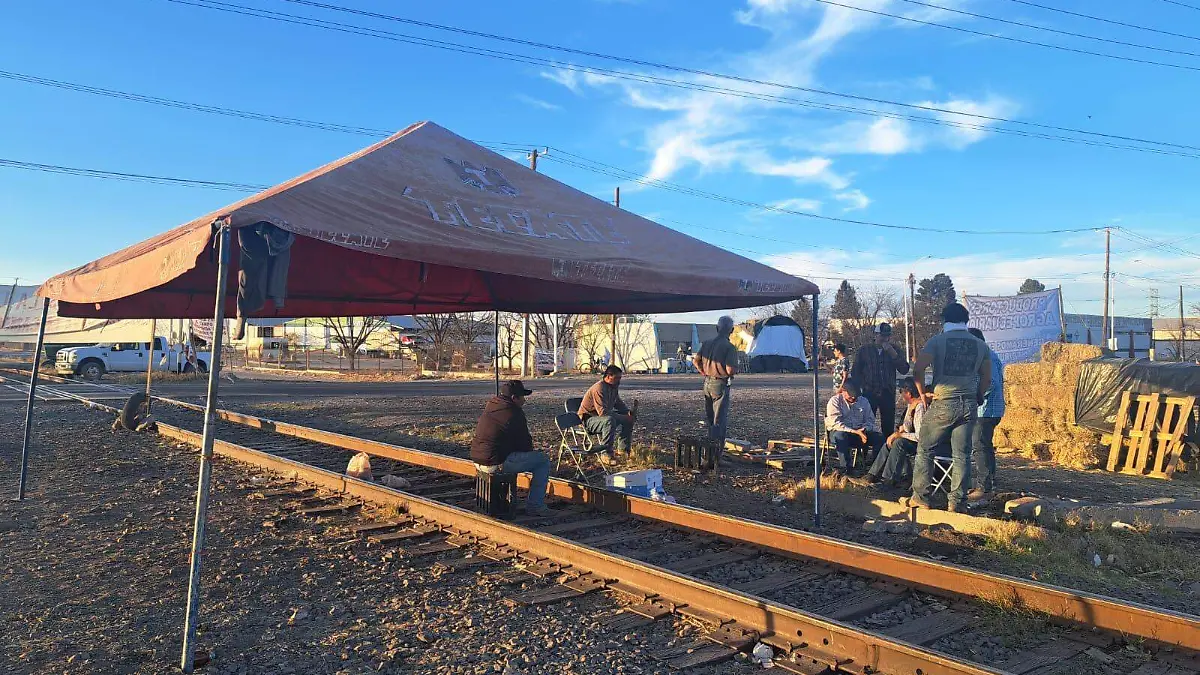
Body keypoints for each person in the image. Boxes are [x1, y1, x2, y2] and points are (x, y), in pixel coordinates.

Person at [906, 303, 991, 512]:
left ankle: (921, 497)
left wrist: (923, 394)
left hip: (944, 401)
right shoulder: (980, 345)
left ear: (944, 320)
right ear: (966, 320)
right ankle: (957, 502)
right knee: (962, 454)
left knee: (925, 448)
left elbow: (918, 369)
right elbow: (987, 377)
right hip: (969, 403)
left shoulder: (937, 341)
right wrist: (978, 395)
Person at [469, 379, 553, 516]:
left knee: (513, 455)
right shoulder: (514, 413)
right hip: (494, 463)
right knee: (542, 461)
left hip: (478, 460)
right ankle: (535, 506)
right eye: (522, 397)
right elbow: (525, 445)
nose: (524, 401)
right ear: (514, 398)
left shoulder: (492, 406)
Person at [854, 377, 927, 486]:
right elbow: (906, 428)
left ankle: (888, 479)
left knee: (899, 442)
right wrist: (899, 430)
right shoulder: (912, 405)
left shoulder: (920, 407)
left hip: (922, 443)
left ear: (909, 393)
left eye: (902, 391)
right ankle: (871, 475)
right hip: (913, 439)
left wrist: (900, 434)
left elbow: (920, 436)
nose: (900, 395)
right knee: (890, 442)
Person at [851, 323, 909, 434]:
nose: (884, 339)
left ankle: (885, 449)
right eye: (881, 336)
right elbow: (855, 372)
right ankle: (864, 449)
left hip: (888, 392)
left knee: (888, 425)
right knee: (866, 423)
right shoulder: (865, 350)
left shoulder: (894, 349)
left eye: (887, 336)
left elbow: (904, 369)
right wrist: (861, 388)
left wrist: (893, 354)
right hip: (869, 392)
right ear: (875, 335)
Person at [968, 327, 1004, 502]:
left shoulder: (985, 357)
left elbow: (990, 383)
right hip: (992, 409)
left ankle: (983, 487)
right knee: (985, 446)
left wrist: (976, 396)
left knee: (979, 445)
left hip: (985, 409)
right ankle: (990, 480)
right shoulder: (988, 355)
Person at [693, 316, 739, 454]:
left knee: (710, 420)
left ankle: (709, 450)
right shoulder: (729, 347)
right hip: (720, 384)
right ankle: (716, 455)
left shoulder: (707, 343)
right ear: (732, 330)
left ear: (717, 328)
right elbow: (730, 369)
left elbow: (696, 361)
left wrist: (703, 371)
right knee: (719, 420)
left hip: (707, 382)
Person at [824, 378, 885, 472]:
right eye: (851, 395)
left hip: (860, 433)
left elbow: (870, 420)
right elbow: (836, 423)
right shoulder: (834, 401)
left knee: (880, 438)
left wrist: (864, 429)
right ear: (843, 391)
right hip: (840, 433)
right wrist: (854, 431)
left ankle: (875, 469)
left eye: (855, 395)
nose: (853, 397)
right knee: (840, 436)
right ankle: (846, 469)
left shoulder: (863, 401)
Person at [578, 365, 633, 464]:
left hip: (601, 418)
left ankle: (623, 450)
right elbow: (603, 413)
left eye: (620, 378)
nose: (619, 381)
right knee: (609, 421)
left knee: (629, 420)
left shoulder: (613, 387)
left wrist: (627, 412)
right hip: (588, 420)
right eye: (616, 378)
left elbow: (618, 403)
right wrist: (623, 417)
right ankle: (605, 454)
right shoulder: (599, 388)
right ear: (608, 376)